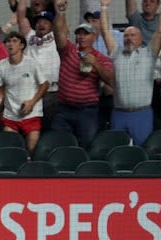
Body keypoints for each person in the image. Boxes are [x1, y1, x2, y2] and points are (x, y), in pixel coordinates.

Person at [101, 0, 161, 146]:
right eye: (126, 35)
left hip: (142, 114)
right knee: (116, 150)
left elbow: (160, 30)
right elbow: (105, 31)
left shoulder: (149, 53)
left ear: (141, 39)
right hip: (119, 113)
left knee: (142, 150)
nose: (128, 38)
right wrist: (104, 7)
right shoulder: (116, 53)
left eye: (133, 35)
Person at [52, 0, 114, 149]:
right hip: (64, 110)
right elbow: (58, 32)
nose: (81, 37)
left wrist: (96, 64)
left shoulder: (101, 58)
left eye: (85, 34)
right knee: (59, 145)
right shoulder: (69, 51)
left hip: (87, 111)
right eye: (79, 34)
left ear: (93, 37)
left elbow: (111, 81)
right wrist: (60, 12)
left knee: (86, 146)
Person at [0, 31, 50, 153]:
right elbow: (0, 88)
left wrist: (32, 102)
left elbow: (45, 84)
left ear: (22, 45)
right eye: (8, 41)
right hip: (10, 115)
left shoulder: (32, 63)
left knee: (32, 150)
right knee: (11, 150)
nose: (10, 44)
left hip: (32, 114)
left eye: (14, 41)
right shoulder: (0, 66)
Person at [17, 5, 61, 126]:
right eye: (39, 22)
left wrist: (60, 8)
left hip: (51, 93)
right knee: (30, 128)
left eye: (46, 22)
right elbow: (21, 17)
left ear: (52, 26)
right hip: (31, 93)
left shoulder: (57, 39)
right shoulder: (29, 37)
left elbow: (61, 24)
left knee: (49, 128)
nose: (41, 24)